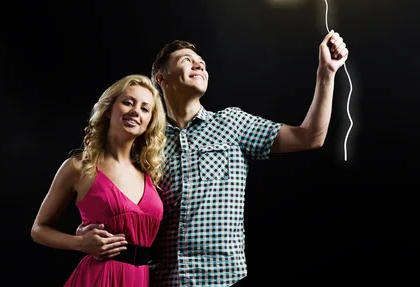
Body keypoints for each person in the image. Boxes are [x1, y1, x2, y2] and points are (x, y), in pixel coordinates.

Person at [78, 30, 349, 286]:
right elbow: (115, 198)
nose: (199, 66)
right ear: (162, 79)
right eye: (187, 61)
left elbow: (310, 136)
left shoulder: (232, 123)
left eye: (202, 63)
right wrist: (86, 232)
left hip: (225, 280)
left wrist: (326, 73)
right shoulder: (144, 142)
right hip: (161, 280)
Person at [31, 74, 168, 286]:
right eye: (128, 102)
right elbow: (38, 229)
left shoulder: (150, 173)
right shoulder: (79, 167)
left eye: (145, 108)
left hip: (141, 279)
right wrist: (80, 243)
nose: (135, 111)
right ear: (108, 109)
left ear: (149, 122)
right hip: (99, 278)